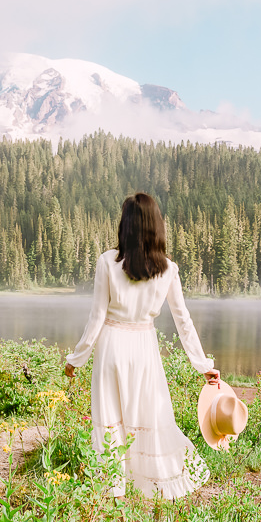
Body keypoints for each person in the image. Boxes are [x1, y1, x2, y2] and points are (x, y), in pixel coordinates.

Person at [64, 193, 219, 500]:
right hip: (144, 349)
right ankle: (150, 481)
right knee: (148, 413)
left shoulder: (108, 262)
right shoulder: (168, 270)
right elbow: (183, 321)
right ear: (156, 227)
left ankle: (112, 483)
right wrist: (204, 366)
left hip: (111, 346)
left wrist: (75, 360)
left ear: (126, 226)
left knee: (110, 414)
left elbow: (96, 319)